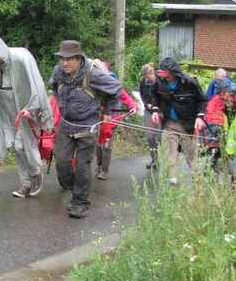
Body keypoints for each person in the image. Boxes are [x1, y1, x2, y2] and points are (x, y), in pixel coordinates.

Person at [49, 40, 122, 218]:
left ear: (79, 59)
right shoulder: (58, 72)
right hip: (66, 125)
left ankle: (80, 202)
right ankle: (76, 189)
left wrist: (107, 110)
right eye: (62, 59)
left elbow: (116, 88)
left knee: (82, 166)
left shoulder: (93, 74)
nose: (64, 63)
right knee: (62, 164)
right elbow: (53, 87)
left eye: (69, 59)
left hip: (87, 126)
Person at [0, 33, 53, 198]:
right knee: (15, 147)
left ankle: (35, 173)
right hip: (6, 111)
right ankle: (26, 184)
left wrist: (32, 109)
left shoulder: (20, 59)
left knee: (22, 146)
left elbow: (36, 85)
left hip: (24, 111)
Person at [151, 57, 207, 186]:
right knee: (171, 151)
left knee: (191, 155)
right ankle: (173, 179)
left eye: (168, 74)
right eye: (163, 74)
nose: (166, 77)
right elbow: (155, 97)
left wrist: (200, 117)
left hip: (188, 124)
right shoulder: (159, 83)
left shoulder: (189, 83)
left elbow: (203, 101)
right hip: (170, 123)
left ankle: (198, 180)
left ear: (174, 72)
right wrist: (154, 110)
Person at [95, 62, 138, 180]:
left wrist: (133, 106)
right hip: (98, 119)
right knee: (98, 145)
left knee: (107, 146)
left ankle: (104, 170)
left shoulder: (112, 82)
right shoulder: (93, 82)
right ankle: (98, 165)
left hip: (112, 120)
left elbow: (124, 96)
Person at [139, 63, 162, 169]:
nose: (147, 80)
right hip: (149, 110)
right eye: (145, 78)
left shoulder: (161, 80)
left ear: (153, 73)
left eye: (148, 77)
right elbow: (141, 94)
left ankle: (162, 159)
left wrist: (157, 107)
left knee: (159, 137)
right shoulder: (143, 81)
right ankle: (154, 159)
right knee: (150, 136)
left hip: (160, 111)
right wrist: (146, 104)